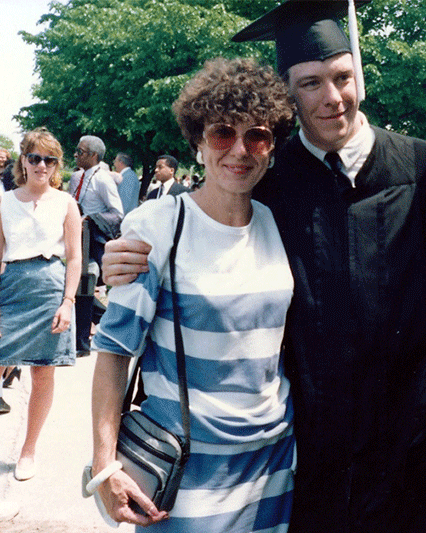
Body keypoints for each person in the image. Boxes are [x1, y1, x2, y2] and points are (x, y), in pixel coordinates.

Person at [101, 2, 426, 531]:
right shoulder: (270, 186)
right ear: (288, 92)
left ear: (359, 74)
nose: (331, 96)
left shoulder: (418, 166)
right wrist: (131, 251)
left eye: (342, 77)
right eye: (310, 83)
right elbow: (205, 226)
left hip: (418, 451)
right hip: (314, 455)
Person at [89, 57, 296, 531]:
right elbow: (114, 351)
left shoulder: (277, 223)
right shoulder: (157, 226)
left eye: (257, 135)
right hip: (185, 469)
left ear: (271, 146)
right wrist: (104, 463)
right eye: (223, 132)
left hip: (274, 466)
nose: (240, 150)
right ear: (198, 141)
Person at [0, 128, 82, 480]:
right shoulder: (4, 201)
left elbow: (75, 258)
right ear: (23, 160)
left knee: (42, 372)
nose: (41, 165)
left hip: (50, 288)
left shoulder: (66, 203)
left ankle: (28, 450)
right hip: (12, 287)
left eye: (49, 160)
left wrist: (67, 302)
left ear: (57, 165)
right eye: (34, 158)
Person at [70, 134, 124, 356]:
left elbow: (118, 213)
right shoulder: (77, 178)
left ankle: (82, 342)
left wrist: (90, 219)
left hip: (92, 242)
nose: (75, 154)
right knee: (78, 288)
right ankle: (84, 338)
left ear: (93, 156)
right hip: (76, 239)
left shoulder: (102, 179)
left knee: (83, 287)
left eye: (80, 151)